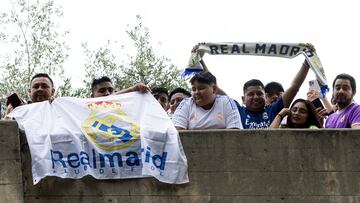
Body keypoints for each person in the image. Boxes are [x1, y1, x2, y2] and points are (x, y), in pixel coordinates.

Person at [172, 71, 242, 130]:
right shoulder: (185, 104)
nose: (196, 92)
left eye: (201, 88)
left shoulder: (226, 102)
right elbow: (177, 133)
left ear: (214, 89)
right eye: (193, 89)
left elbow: (235, 133)